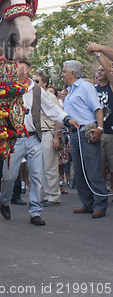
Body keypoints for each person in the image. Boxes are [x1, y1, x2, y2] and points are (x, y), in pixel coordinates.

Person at [0, 61, 78, 226]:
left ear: (26, 70)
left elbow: (52, 109)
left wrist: (67, 119)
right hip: (15, 140)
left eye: (17, 66)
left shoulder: (37, 91)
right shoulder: (8, 88)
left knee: (37, 175)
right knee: (9, 176)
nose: (13, 69)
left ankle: (35, 211)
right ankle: (4, 200)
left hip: (34, 138)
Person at [62, 60, 108, 218]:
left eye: (64, 71)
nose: (62, 74)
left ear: (72, 73)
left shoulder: (85, 87)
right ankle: (87, 203)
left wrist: (100, 129)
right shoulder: (70, 91)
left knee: (93, 169)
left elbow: (98, 108)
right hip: (74, 133)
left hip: (87, 131)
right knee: (79, 171)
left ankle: (100, 205)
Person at [32, 71, 63, 206]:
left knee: (50, 166)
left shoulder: (50, 97)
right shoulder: (35, 96)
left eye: (37, 81)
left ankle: (54, 195)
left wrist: (56, 136)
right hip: (38, 133)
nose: (34, 83)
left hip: (49, 132)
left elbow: (58, 117)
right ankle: (48, 193)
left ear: (45, 83)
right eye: (33, 81)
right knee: (41, 166)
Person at [87, 43, 113, 193]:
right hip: (97, 131)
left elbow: (110, 70)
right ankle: (102, 192)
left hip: (110, 130)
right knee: (100, 165)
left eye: (102, 70)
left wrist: (98, 53)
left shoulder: (110, 87)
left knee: (112, 165)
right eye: (98, 71)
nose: (100, 72)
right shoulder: (92, 89)